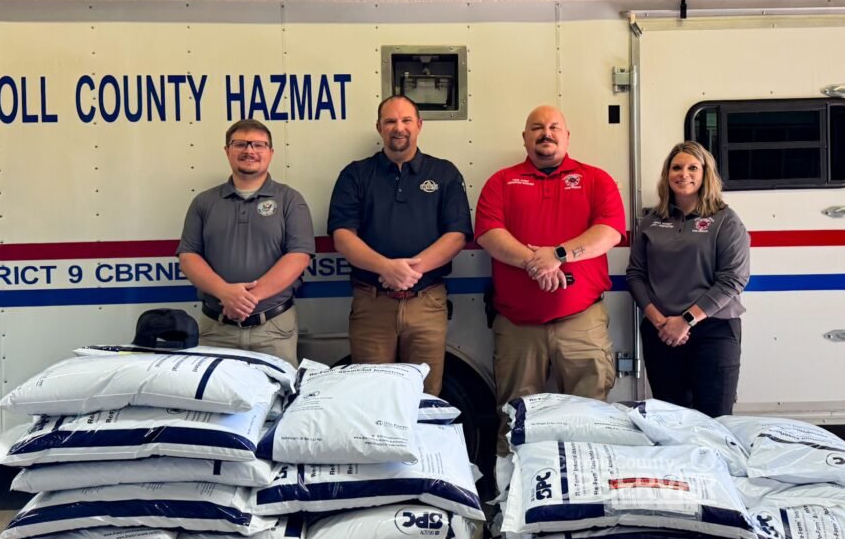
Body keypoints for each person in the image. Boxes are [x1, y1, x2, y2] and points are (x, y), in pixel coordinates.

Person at [475, 105, 626, 454]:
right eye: (537, 127)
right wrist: (535, 262)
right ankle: (510, 499)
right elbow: (488, 233)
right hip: (517, 327)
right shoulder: (501, 181)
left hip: (581, 323)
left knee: (591, 418)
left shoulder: (595, 179)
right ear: (525, 138)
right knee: (515, 420)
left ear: (567, 136)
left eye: (555, 126)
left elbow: (609, 232)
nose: (547, 133)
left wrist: (557, 255)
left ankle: (588, 498)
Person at [327, 95, 473, 396]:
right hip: (372, 304)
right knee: (371, 397)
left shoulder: (444, 173)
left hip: (427, 303)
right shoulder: (355, 174)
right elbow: (342, 236)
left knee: (424, 396)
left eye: (406, 120)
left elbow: (457, 235)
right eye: (391, 121)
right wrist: (386, 268)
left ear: (418, 125)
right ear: (379, 127)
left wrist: (410, 271)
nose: (399, 127)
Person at [626, 140, 750, 416]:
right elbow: (635, 275)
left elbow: (733, 279)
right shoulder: (650, 221)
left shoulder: (725, 220)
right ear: (667, 175)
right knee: (672, 419)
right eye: (677, 167)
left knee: (714, 419)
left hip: (713, 331)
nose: (684, 174)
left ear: (706, 174)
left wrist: (686, 320)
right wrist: (661, 323)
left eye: (693, 167)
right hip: (662, 333)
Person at [177, 119, 314, 367]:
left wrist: (245, 300)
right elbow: (188, 257)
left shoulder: (290, 200)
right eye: (240, 144)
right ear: (227, 150)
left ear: (270, 153)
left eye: (258, 145)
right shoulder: (204, 202)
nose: (249, 151)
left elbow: (299, 256)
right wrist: (225, 293)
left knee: (278, 401)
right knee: (214, 402)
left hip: (273, 330)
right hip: (216, 329)